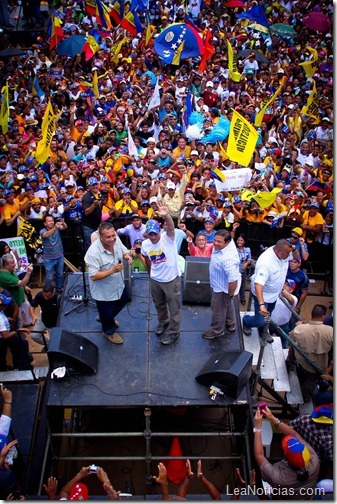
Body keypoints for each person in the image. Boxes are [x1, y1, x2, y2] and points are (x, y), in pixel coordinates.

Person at [254, 405, 320, 498]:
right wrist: (272, 418)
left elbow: (259, 456)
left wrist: (257, 428)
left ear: (286, 456)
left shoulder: (277, 477)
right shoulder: (314, 460)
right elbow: (295, 435)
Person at [84, 222, 133, 345]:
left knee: (124, 299)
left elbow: (123, 250)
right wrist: (112, 270)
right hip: (103, 292)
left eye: (113, 235)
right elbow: (94, 276)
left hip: (118, 285)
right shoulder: (93, 252)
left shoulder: (115, 241)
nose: (112, 239)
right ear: (101, 237)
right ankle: (109, 332)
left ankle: (105, 317)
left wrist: (127, 256)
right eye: (108, 237)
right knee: (107, 311)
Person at [141, 201, 181, 345]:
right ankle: (163, 322)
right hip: (156, 280)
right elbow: (146, 259)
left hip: (171, 279)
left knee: (174, 307)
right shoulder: (145, 245)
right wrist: (150, 274)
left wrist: (167, 216)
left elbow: (170, 227)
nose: (153, 237)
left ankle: (174, 331)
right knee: (159, 304)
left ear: (159, 232)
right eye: (150, 234)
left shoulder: (167, 239)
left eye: (155, 234)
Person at [242, 239, 295, 340]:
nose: (289, 256)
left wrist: (295, 249)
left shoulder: (284, 253)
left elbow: (294, 256)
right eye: (287, 254)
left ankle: (263, 331)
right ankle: (246, 321)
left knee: (268, 315)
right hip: (262, 295)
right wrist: (261, 305)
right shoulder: (266, 262)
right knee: (259, 320)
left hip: (275, 294)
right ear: (278, 251)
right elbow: (258, 285)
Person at [286, 305, 333, 402]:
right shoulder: (331, 331)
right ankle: (306, 395)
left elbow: (289, 338)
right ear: (323, 317)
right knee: (312, 380)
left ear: (311, 314)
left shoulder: (301, 329)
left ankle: (289, 364)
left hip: (302, 359)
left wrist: (298, 326)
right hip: (319, 364)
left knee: (294, 345)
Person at [202, 230, 241, 340]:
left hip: (221, 288)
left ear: (227, 243)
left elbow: (233, 280)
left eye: (219, 242)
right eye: (215, 240)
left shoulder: (228, 259)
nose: (215, 243)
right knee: (227, 304)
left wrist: (230, 293)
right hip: (219, 283)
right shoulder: (228, 243)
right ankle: (231, 324)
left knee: (217, 309)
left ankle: (217, 330)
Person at [0, 256, 35, 327]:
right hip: (16, 302)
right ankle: (21, 334)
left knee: (28, 318)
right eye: (12, 263)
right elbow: (21, 283)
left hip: (21, 298)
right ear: (6, 265)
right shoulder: (4, 276)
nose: (15, 264)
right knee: (19, 322)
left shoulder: (9, 271)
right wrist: (28, 273)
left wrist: (25, 286)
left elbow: (18, 281)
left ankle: (28, 324)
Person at [0, 293, 30, 371]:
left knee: (21, 343)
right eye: (4, 304)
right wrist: (17, 331)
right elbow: (5, 335)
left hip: (4, 338)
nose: (7, 305)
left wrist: (8, 319)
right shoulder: (0, 319)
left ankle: (18, 366)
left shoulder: (1, 312)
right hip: (2, 340)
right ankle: (18, 367)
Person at [40, 215, 67, 294]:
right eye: (49, 221)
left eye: (52, 220)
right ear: (45, 223)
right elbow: (46, 235)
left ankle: (59, 290)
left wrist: (63, 223)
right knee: (49, 277)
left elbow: (64, 227)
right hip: (49, 259)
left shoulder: (57, 228)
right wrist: (55, 228)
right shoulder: (42, 231)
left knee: (60, 275)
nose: (51, 222)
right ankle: (48, 292)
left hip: (59, 256)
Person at [269, 278, 298, 349]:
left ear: (291, 290)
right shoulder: (275, 293)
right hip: (270, 323)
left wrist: (280, 288)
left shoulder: (294, 298)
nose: (284, 285)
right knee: (263, 341)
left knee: (283, 346)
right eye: (284, 283)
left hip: (283, 326)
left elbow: (290, 300)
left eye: (287, 285)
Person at [81, 177, 102, 252]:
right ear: (89, 186)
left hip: (97, 225)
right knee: (89, 245)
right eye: (93, 185)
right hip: (88, 226)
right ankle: (88, 262)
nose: (95, 186)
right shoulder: (86, 197)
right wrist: (94, 205)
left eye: (96, 184)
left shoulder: (99, 194)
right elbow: (86, 212)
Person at [235, 234, 252, 306]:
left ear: (244, 241)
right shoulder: (234, 249)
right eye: (238, 240)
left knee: (242, 285)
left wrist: (246, 263)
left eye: (241, 240)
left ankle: (242, 298)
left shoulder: (247, 249)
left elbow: (249, 259)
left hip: (242, 270)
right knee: (234, 284)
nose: (239, 241)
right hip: (235, 269)